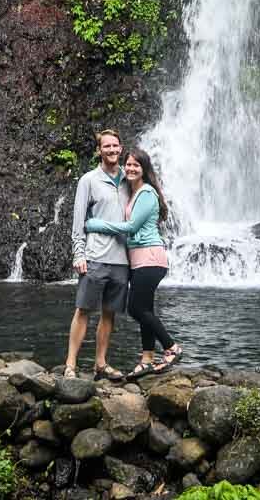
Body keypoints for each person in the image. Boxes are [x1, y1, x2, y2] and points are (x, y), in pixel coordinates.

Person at [85, 146, 183, 378]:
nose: (130, 168)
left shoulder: (147, 193)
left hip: (150, 259)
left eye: (135, 165)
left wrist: (95, 224)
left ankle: (171, 347)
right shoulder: (134, 191)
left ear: (144, 168)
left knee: (136, 309)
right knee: (145, 309)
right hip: (140, 261)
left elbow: (131, 227)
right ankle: (147, 358)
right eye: (127, 164)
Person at [63, 128, 130, 380]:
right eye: (107, 147)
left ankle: (100, 364)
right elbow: (78, 221)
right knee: (83, 310)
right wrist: (78, 254)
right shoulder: (88, 180)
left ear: (121, 148)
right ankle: (70, 364)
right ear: (99, 150)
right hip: (95, 256)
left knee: (109, 313)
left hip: (122, 259)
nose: (111, 150)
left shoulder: (130, 179)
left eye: (115, 146)